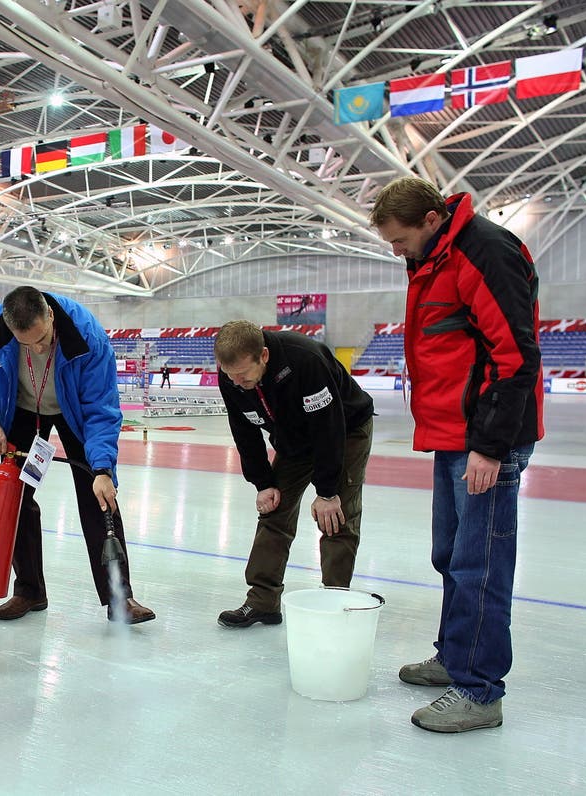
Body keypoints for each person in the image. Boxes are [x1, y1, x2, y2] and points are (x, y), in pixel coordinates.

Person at [370, 176, 543, 733]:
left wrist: (490, 448)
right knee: (452, 557)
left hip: (486, 442)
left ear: (430, 219)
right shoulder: (432, 258)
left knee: (481, 565)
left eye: (399, 240)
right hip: (452, 436)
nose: (395, 251)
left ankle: (480, 690)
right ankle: (454, 657)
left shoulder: (484, 251)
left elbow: (515, 355)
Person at [0, 286, 155, 624]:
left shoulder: (87, 335)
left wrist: (102, 468)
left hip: (74, 411)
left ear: (50, 314)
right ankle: (29, 591)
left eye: (43, 338)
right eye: (26, 344)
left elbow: (101, 409)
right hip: (20, 409)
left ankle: (120, 598)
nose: (38, 348)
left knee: (99, 497)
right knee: (13, 497)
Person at [213, 321, 374, 628]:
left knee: (335, 516)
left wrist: (327, 492)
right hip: (292, 439)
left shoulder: (305, 359)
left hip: (345, 429)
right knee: (274, 513)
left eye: (244, 375)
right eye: (230, 375)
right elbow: (244, 431)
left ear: (263, 356)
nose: (237, 382)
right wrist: (263, 483)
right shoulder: (232, 378)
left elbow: (329, 428)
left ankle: (334, 601)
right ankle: (263, 601)